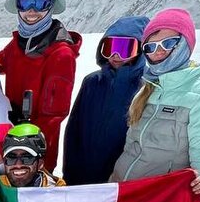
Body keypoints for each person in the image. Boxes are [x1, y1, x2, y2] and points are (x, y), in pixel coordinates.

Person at [111, 8, 200, 198]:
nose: (158, 51)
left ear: (185, 43)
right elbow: (132, 148)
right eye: (151, 47)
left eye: (168, 43)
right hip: (122, 191)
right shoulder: (149, 88)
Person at [0, 0, 82, 172]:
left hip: (35, 154)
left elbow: (53, 116)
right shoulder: (18, 45)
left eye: (40, 2)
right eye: (26, 2)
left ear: (50, 6)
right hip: (10, 145)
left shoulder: (61, 55)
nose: (32, 11)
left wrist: (23, 148)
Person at [62, 15, 148, 185]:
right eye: (109, 48)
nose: (115, 55)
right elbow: (73, 130)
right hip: (82, 175)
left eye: (124, 48)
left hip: (119, 181)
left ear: (140, 50)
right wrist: (69, 172)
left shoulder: (146, 88)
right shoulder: (92, 82)